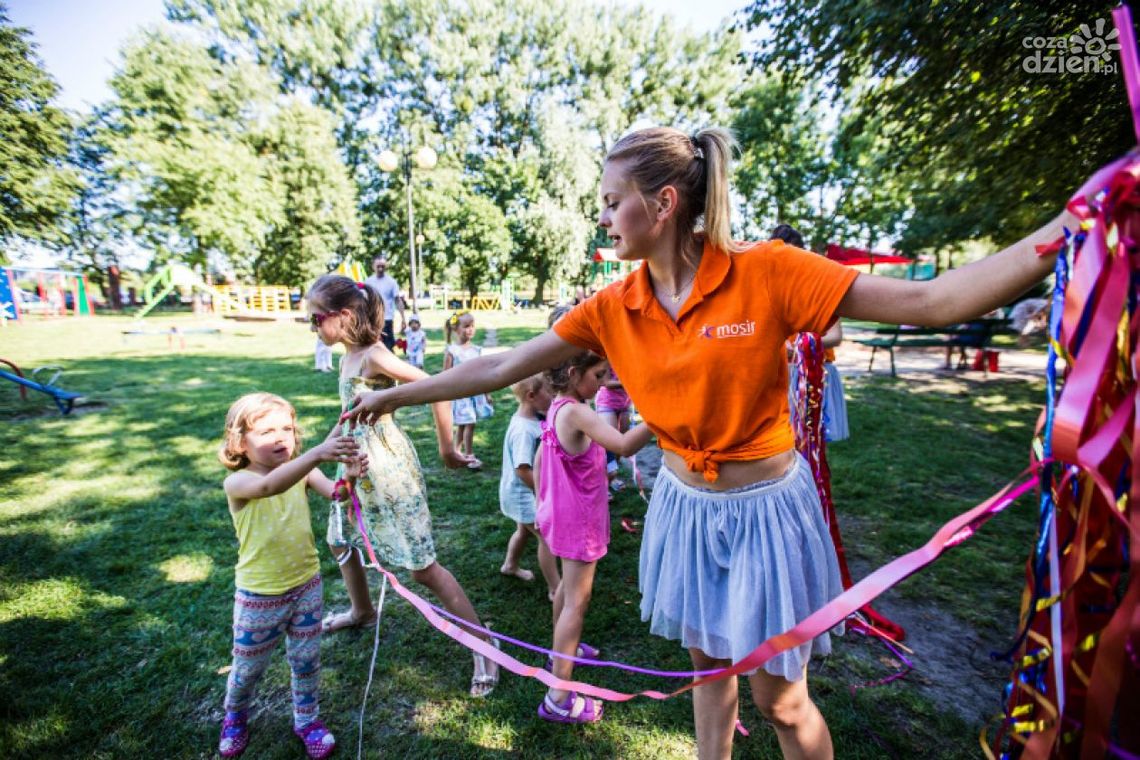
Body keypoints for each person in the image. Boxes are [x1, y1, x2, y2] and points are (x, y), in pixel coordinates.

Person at [341, 126, 1088, 758]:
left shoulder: (769, 272)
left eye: (612, 201)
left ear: (663, 203)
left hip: (767, 512)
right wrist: (392, 395)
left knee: (779, 700)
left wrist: (1074, 223)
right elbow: (498, 366)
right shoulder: (612, 306)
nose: (602, 217)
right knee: (709, 675)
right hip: (685, 510)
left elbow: (934, 300)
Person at [306, 276, 500, 698]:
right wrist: (324, 451)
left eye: (315, 319)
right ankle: (362, 611)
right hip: (353, 467)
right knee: (340, 539)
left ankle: (484, 643)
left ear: (343, 316)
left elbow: (439, 391)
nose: (311, 327)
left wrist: (447, 449)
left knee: (422, 568)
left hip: (388, 472)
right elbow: (348, 414)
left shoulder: (375, 356)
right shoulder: (347, 357)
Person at [216, 392, 364, 759]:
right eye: (266, 431)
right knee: (248, 668)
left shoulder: (303, 469)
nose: (281, 437)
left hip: (306, 585)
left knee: (306, 661)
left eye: (287, 428)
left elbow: (337, 495)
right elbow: (271, 486)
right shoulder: (238, 482)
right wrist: (316, 454)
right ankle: (234, 715)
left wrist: (349, 478)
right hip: (259, 595)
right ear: (240, 443)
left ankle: (307, 720)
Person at [534, 350, 654, 724]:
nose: (603, 383)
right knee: (577, 602)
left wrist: (542, 501)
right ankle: (558, 697)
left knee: (567, 593)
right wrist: (658, 418)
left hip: (560, 513)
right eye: (598, 375)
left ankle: (559, 653)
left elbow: (540, 459)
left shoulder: (557, 405)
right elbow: (624, 445)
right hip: (578, 521)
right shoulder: (577, 412)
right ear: (574, 373)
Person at [773, 225, 848, 442]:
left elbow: (835, 336)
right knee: (785, 442)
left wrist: (799, 347)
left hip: (816, 373)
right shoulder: (769, 290)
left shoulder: (818, 289)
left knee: (814, 441)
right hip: (783, 376)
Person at [497, 373, 560, 598]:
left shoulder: (532, 420)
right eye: (550, 392)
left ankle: (510, 565)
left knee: (523, 530)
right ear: (531, 396)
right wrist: (544, 491)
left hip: (521, 493)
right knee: (547, 538)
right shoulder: (524, 430)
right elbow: (522, 469)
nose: (554, 397)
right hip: (523, 494)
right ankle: (555, 588)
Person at [443, 311, 493, 469]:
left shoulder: (476, 350)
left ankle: (456, 452)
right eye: (466, 326)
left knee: (463, 425)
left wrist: (487, 393)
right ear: (456, 329)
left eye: (472, 326)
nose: (470, 329)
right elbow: (445, 375)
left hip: (474, 394)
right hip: (460, 395)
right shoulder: (452, 351)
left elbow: (482, 374)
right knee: (469, 423)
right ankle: (469, 456)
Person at [595, 367, 633, 489]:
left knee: (623, 442)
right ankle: (606, 479)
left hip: (625, 403)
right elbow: (605, 382)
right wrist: (629, 382)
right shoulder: (608, 360)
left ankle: (612, 472)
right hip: (607, 402)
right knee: (610, 443)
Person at [364, 256, 406, 350]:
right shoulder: (368, 282)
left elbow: (397, 300)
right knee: (372, 347)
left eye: (382, 266)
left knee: (388, 347)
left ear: (386, 266)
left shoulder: (391, 282)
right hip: (372, 319)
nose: (380, 268)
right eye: (378, 266)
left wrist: (403, 319)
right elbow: (364, 300)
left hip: (387, 319)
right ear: (373, 266)